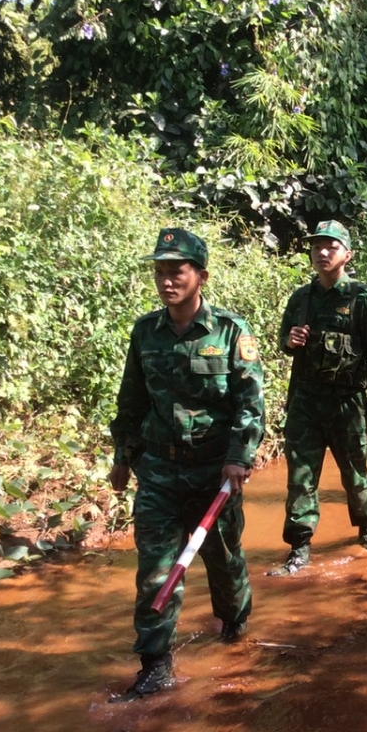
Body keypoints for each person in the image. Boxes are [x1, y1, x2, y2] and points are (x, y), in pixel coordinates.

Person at [108, 227, 265, 701]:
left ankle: (235, 630)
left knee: (223, 562)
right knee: (156, 570)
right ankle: (155, 666)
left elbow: (250, 403)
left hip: (213, 473)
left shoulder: (231, 332)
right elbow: (131, 401)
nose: (166, 280)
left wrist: (239, 458)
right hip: (157, 472)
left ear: (201, 276)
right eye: (160, 271)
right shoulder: (145, 332)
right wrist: (122, 458)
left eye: (176, 271)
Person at [269, 220, 367, 576]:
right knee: (301, 478)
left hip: (347, 402)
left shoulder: (363, 299)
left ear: (347, 255)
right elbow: (284, 342)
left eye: (331, 246)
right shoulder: (301, 298)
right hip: (306, 401)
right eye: (317, 246)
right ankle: (299, 548)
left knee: (356, 474)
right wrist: (289, 341)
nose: (322, 252)